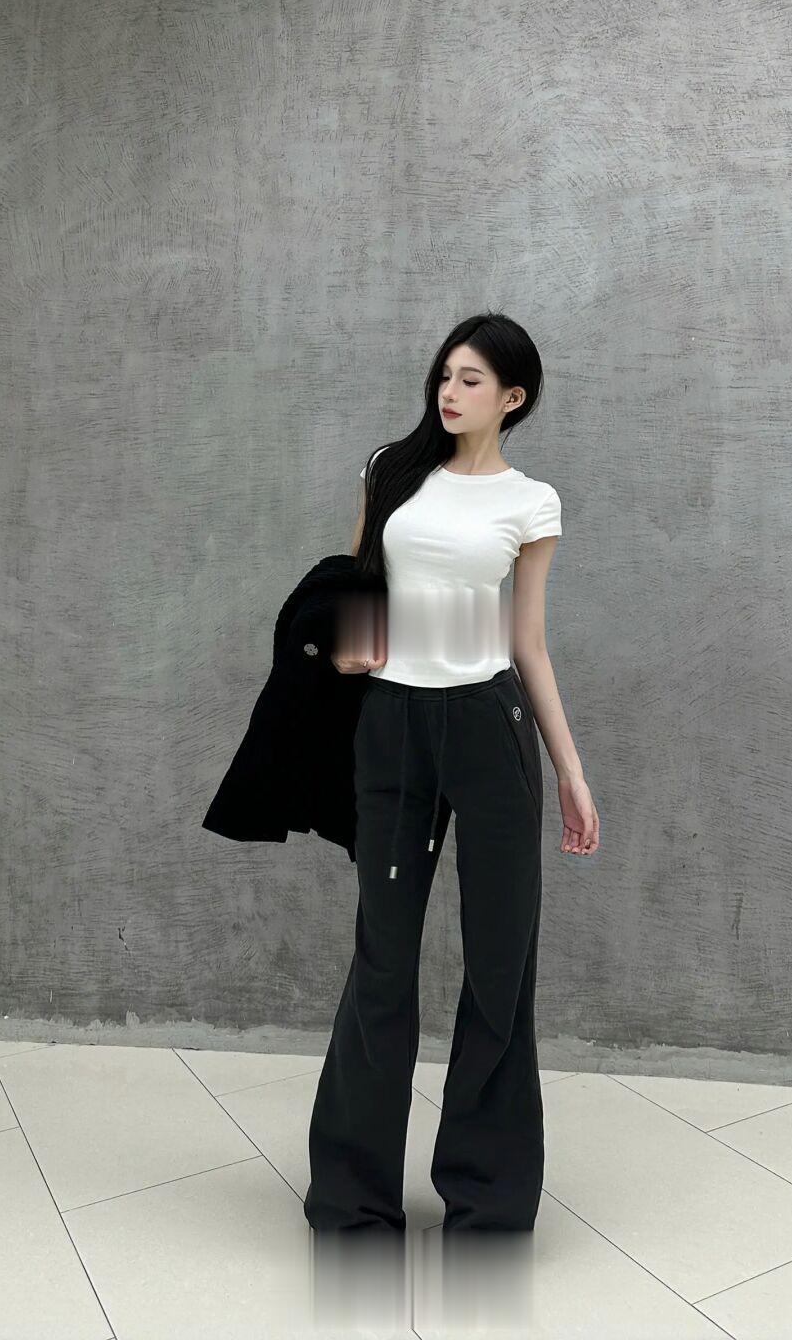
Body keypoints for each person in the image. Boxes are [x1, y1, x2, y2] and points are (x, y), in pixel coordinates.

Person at [303, 311, 600, 1262]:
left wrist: (571, 771)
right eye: (445, 374)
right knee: (383, 960)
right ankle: (353, 1203)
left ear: (513, 398)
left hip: (489, 726)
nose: (450, 391)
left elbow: (528, 643)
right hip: (393, 729)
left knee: (500, 968)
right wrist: (351, 651)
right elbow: (359, 584)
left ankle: (488, 1203)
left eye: (472, 380)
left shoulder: (531, 502)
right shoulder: (392, 470)